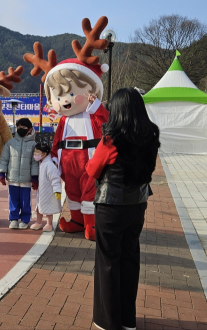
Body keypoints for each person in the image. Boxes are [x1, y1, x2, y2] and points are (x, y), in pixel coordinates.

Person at [85, 87, 160, 330]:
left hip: (110, 207)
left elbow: (92, 171)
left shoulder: (110, 140)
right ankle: (128, 321)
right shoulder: (151, 136)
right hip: (137, 206)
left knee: (108, 262)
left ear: (117, 111)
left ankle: (108, 321)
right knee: (130, 260)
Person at [0, 118, 39, 229]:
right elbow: (4, 159)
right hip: (13, 178)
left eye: (23, 128)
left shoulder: (33, 144)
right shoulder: (10, 143)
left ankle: (25, 220)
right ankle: (13, 219)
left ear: (29, 129)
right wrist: (2, 173)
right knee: (13, 200)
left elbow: (35, 162)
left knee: (25, 201)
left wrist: (35, 177)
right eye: (19, 127)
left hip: (26, 180)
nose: (20, 129)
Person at [30, 142, 61, 232]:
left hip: (48, 191)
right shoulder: (41, 163)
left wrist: (57, 191)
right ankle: (39, 222)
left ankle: (49, 224)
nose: (35, 154)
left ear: (44, 154)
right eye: (34, 152)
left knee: (48, 208)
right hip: (42, 191)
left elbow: (55, 179)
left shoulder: (49, 165)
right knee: (39, 207)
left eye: (37, 152)